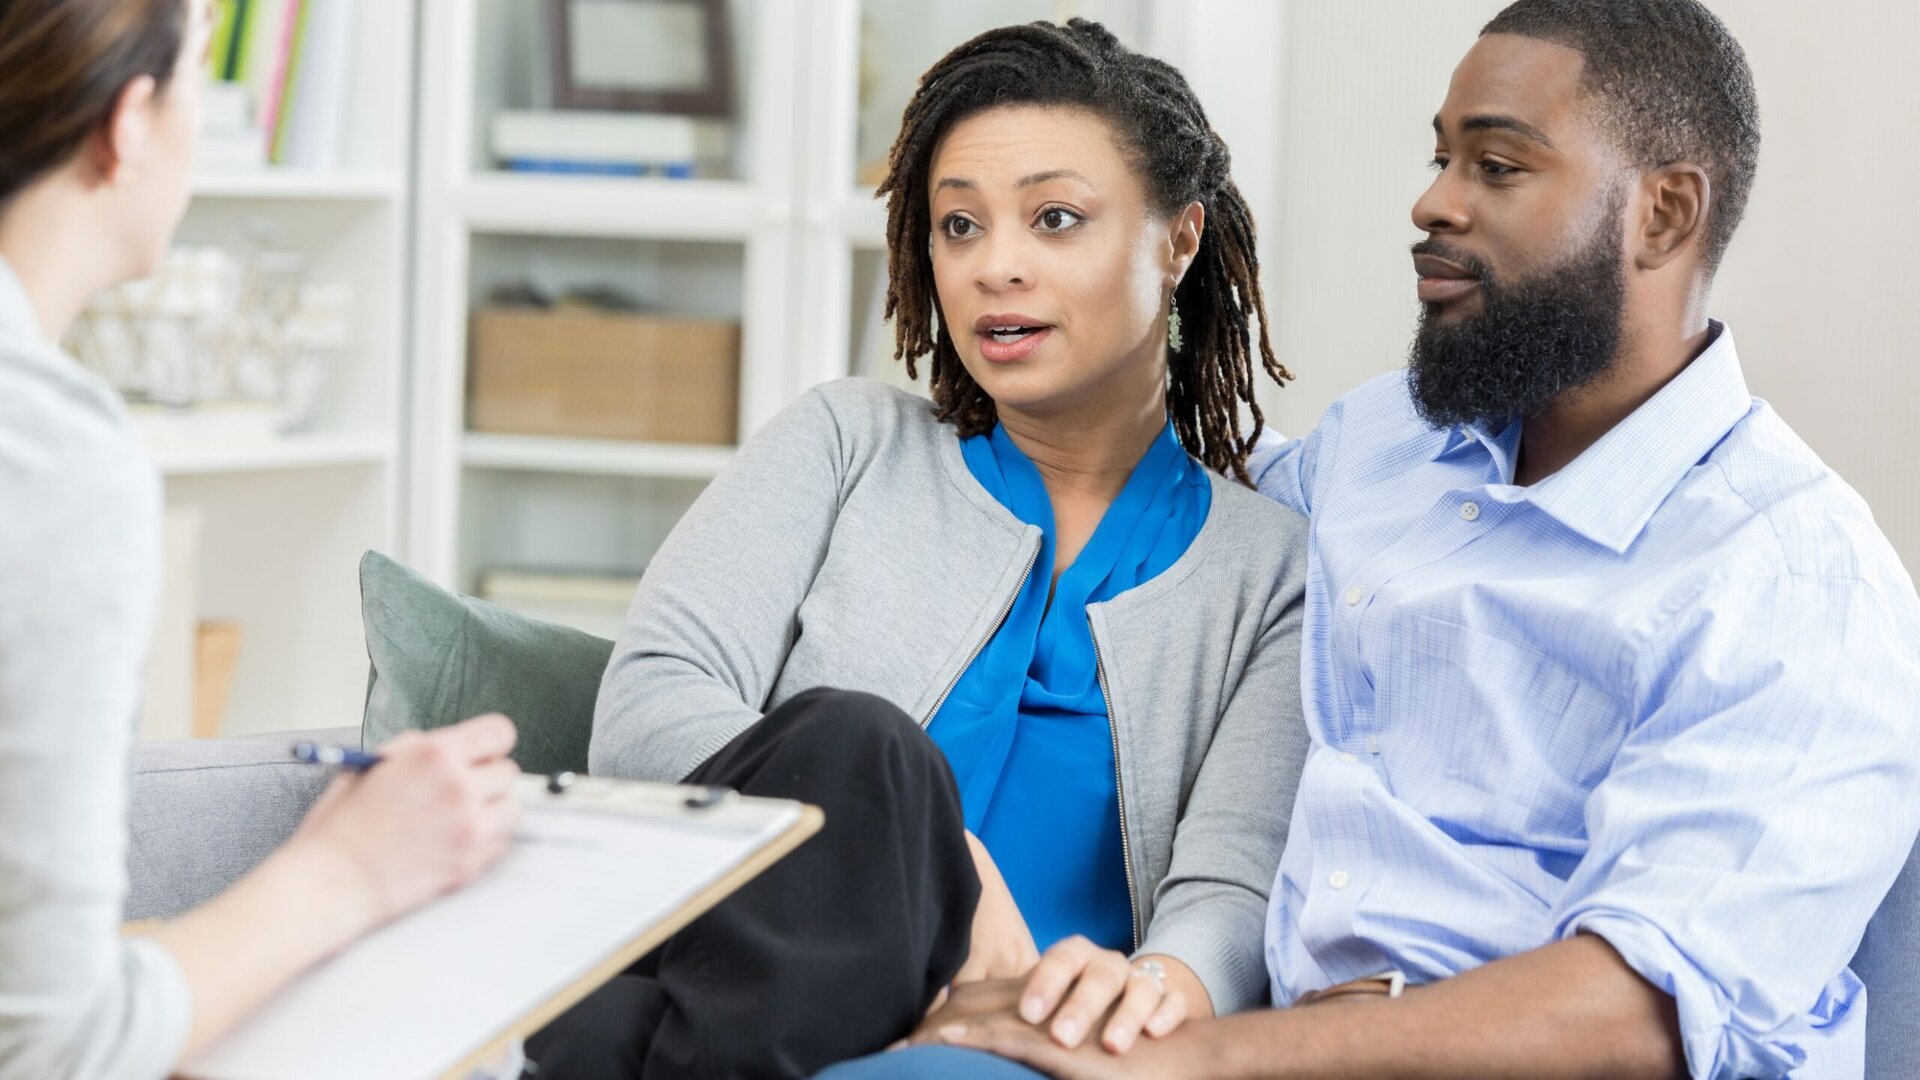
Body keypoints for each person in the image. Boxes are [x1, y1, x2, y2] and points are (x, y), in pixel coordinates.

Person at [901, 1, 1920, 1078]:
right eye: (1442, 158)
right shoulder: (1385, 447)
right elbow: (1164, 498)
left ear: (1662, 215)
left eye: (1498, 166)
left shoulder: (1795, 578)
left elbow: (1645, 1012)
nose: (1433, 202)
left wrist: (1200, 1057)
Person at [526, 19, 1312, 1080]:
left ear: (1178, 241)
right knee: (864, 750)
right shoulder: (844, 443)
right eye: (959, 226)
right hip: (759, 978)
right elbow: (647, 709)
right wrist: (933, 855)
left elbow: (1231, 888)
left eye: (1055, 219)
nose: (995, 267)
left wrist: (1146, 999)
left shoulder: (1271, 569)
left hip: (1030, 1036)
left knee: (611, 1033)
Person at [0, 2, 524, 1076]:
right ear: (127, 123)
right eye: (202, 76)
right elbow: (53, 1043)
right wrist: (349, 871)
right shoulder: (49, 455)